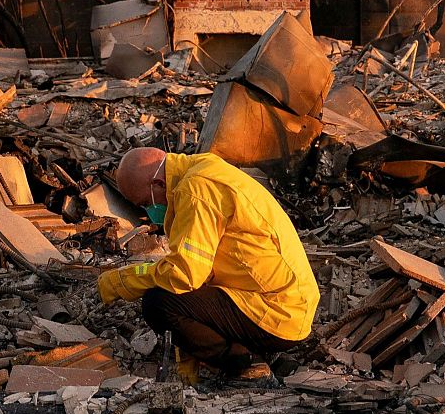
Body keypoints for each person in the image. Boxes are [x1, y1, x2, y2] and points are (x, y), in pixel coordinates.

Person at [96, 147, 319, 382]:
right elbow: (199, 270)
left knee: (159, 304)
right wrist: (186, 350)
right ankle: (255, 351)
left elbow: (183, 275)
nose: (148, 211)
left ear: (158, 184)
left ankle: (245, 362)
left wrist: (124, 280)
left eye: (145, 203)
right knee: (171, 294)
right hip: (288, 303)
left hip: (278, 313)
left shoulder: (196, 190)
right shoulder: (203, 170)